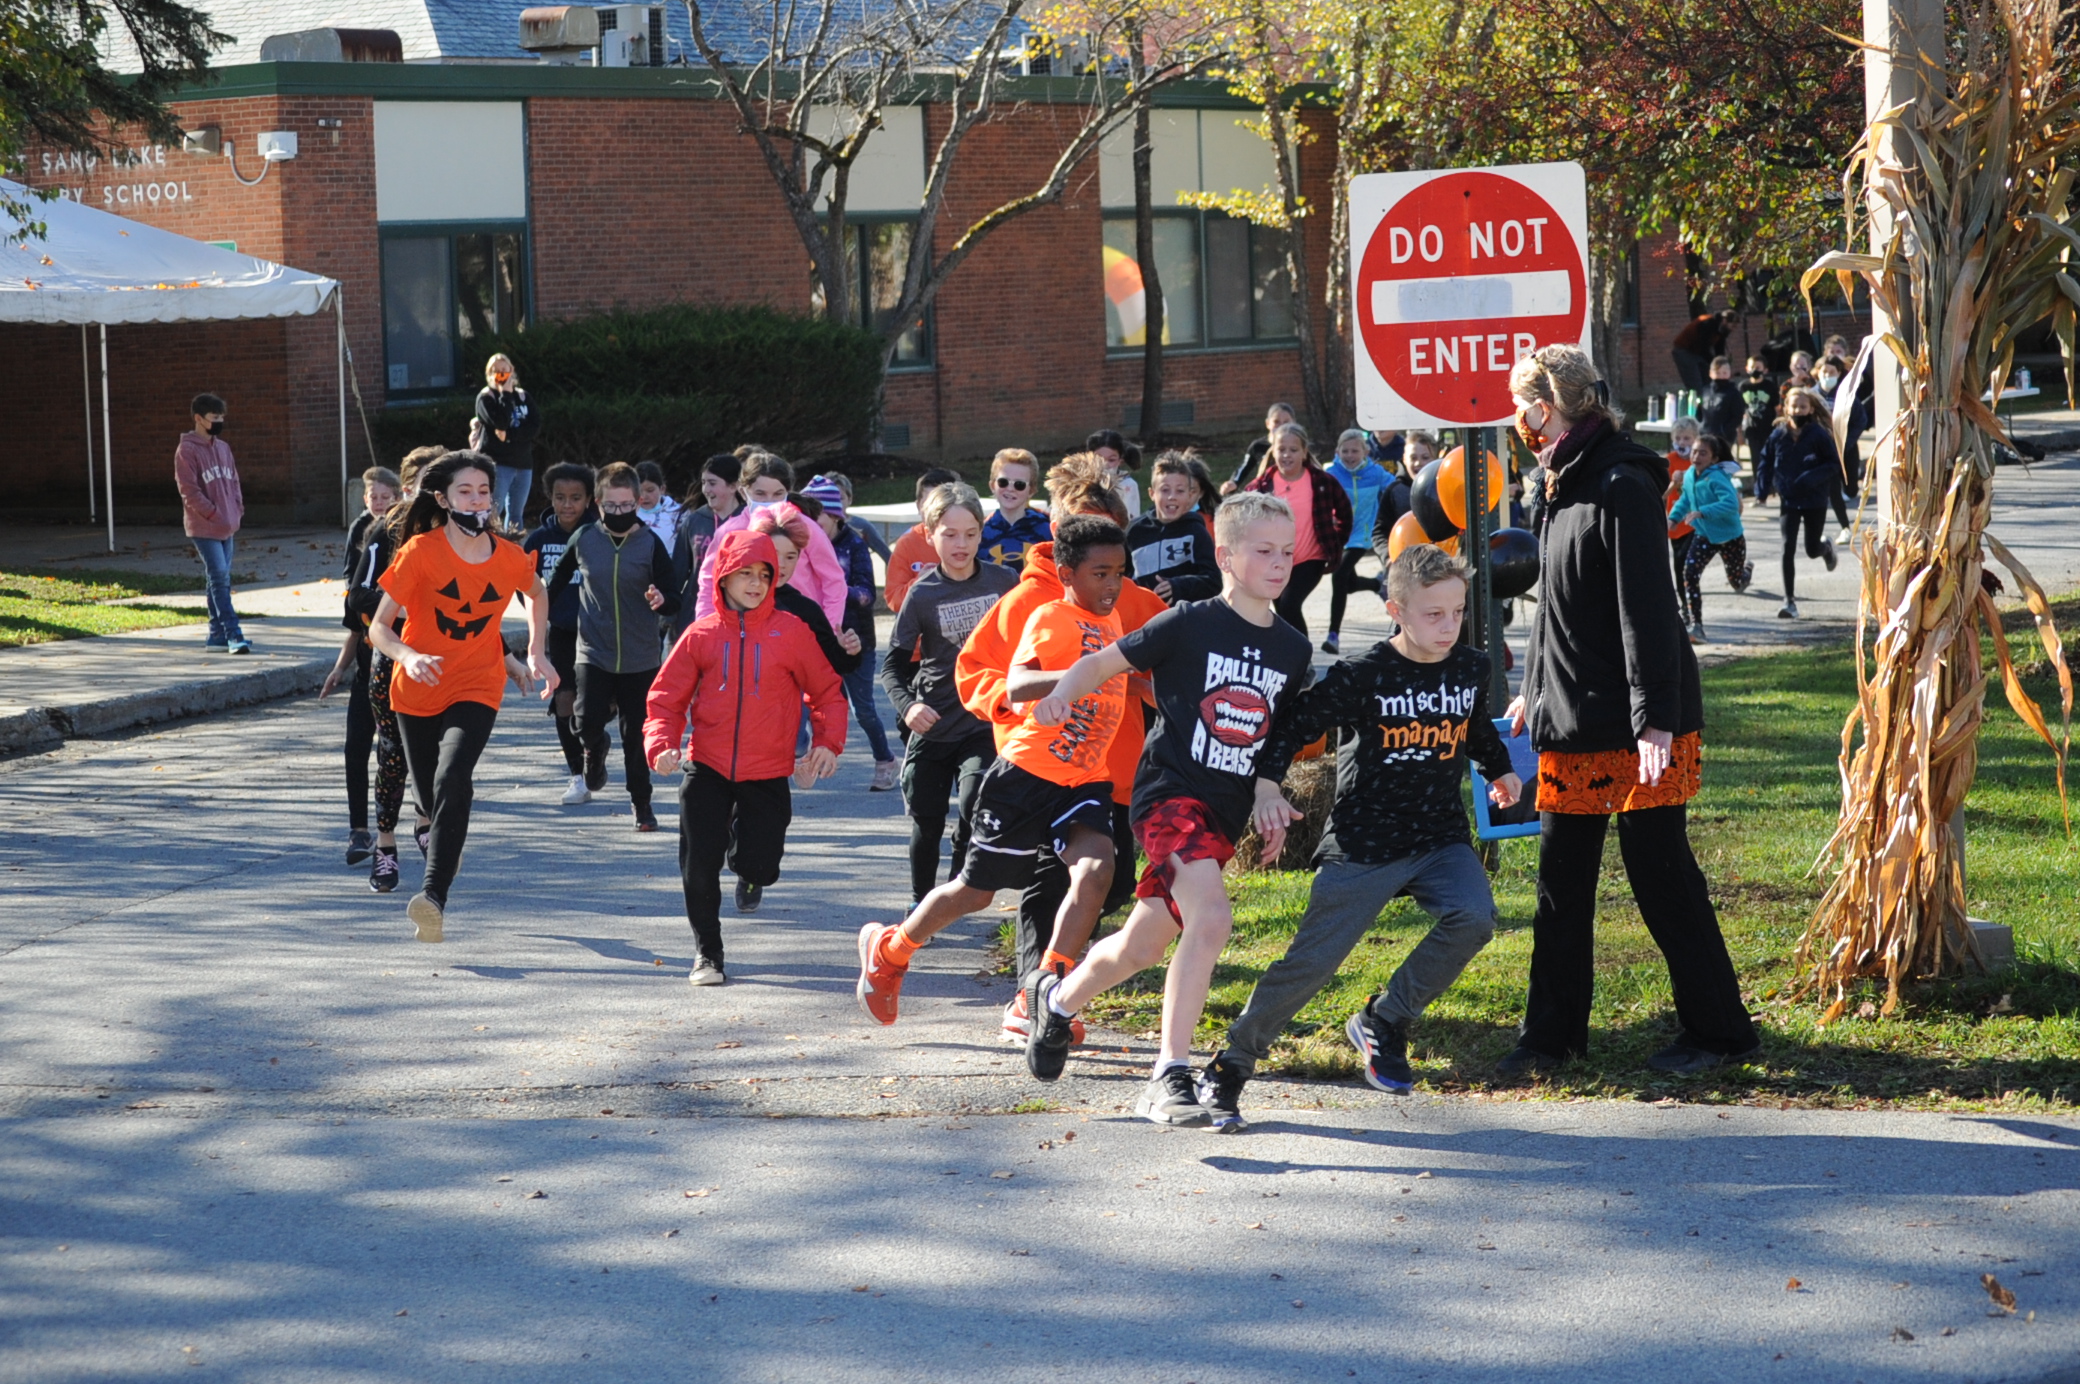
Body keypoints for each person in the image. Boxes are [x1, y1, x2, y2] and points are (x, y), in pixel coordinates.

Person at [1500, 345, 1760, 1077]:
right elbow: (1558, 604)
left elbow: (1646, 610)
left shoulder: (1620, 481)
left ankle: (1720, 1033)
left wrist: (1656, 722)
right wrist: (1534, 687)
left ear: (1544, 408)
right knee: (1561, 882)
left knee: (1661, 876)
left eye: (1521, 406)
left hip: (1640, 724)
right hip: (1574, 716)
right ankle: (1551, 1041)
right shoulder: (1556, 481)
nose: (1517, 420)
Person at [1018, 492, 1314, 1127]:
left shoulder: (1292, 649)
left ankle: (1059, 1000)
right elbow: (1102, 661)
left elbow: (1275, 738)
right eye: (1263, 550)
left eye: (1287, 551)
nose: (1279, 562)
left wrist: (1267, 791)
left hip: (1223, 814)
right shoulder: (1189, 621)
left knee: (1141, 946)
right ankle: (1168, 1075)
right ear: (1226, 556)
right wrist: (1063, 695)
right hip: (1167, 797)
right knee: (1210, 920)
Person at [1202, 543, 1522, 1128]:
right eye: (1433, 614)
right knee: (1311, 965)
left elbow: (1473, 729)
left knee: (1473, 918)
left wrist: (1499, 768)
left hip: (1439, 839)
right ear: (1395, 610)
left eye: (1456, 613)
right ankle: (1231, 1064)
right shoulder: (1363, 675)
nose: (1448, 626)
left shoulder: (1470, 666)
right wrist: (1267, 787)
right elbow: (1292, 725)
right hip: (1364, 844)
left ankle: (1385, 1019)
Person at [856, 515, 1131, 1027]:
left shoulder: (1111, 621)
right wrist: (1070, 683)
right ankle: (891, 949)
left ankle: (1045, 991)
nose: (1112, 584)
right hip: (1026, 777)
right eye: (1100, 574)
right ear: (1068, 574)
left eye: (1119, 571)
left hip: (1085, 779)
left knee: (1097, 872)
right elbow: (1019, 681)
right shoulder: (1052, 616)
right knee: (977, 892)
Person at [953, 457, 1164, 1041]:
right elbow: (975, 672)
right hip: (1042, 769)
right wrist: (1026, 704)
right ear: (1064, 545)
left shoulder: (1141, 604)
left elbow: (1177, 669)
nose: (1106, 570)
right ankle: (1035, 997)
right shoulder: (1028, 602)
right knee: (1051, 882)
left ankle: (1055, 977)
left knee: (1112, 881)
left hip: (1117, 774)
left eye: (1113, 549)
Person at [369, 450, 558, 943]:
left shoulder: (509, 557)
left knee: (455, 776)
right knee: (434, 798)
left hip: (477, 683)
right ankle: (426, 819)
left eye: (483, 492)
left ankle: (432, 898)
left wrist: (534, 652)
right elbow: (379, 628)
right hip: (416, 690)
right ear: (443, 499)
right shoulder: (421, 553)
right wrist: (408, 656)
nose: (477, 501)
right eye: (465, 492)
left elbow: (537, 594)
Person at [644, 530, 848, 985]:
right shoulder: (700, 635)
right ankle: (708, 954)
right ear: (723, 578)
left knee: (760, 863)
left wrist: (826, 743)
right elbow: (665, 700)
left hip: (768, 770)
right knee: (698, 865)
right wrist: (661, 744)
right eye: (745, 574)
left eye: (764, 575)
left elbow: (828, 693)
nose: (755, 583)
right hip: (706, 766)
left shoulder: (791, 632)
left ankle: (749, 873)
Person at [882, 483, 1021, 904]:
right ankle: (922, 900)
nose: (961, 544)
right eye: (949, 534)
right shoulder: (921, 594)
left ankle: (956, 886)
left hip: (984, 721)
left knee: (974, 801)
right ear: (929, 534)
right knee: (926, 821)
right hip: (934, 721)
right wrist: (909, 708)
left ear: (982, 533)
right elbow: (892, 666)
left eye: (970, 533)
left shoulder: (1005, 583)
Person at [548, 462, 680, 832]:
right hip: (593, 650)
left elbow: (673, 597)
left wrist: (661, 600)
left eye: (626, 506)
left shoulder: (649, 543)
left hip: (640, 657)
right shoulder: (586, 538)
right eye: (611, 507)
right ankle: (594, 747)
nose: (619, 514)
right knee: (585, 720)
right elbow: (553, 583)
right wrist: (536, 613)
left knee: (636, 735)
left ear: (638, 502)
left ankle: (642, 804)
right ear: (599, 503)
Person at [357, 447, 443, 894]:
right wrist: (405, 609)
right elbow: (358, 596)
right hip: (392, 656)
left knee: (433, 753)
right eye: (429, 482)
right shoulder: (384, 530)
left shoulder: (457, 533)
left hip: (445, 659)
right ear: (408, 487)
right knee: (393, 753)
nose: (437, 493)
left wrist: (508, 657)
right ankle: (385, 845)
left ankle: (426, 819)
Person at [319, 466, 401, 865]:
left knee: (397, 754)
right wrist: (339, 668)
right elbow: (354, 627)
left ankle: (419, 823)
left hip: (405, 678)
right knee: (356, 748)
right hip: (367, 673)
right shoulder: (362, 591)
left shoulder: (410, 574)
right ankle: (359, 830)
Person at [802, 475, 897, 791]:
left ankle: (885, 760)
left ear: (834, 516)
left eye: (816, 518)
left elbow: (867, 594)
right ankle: (800, 761)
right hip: (815, 639)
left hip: (856, 640)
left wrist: (831, 588)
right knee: (802, 705)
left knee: (863, 709)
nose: (810, 526)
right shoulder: (800, 544)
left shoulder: (854, 543)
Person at [692, 454, 845, 628]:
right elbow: (709, 583)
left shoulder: (806, 528)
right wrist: (706, 629)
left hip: (800, 629)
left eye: (778, 494)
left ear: (787, 493)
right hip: (743, 631)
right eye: (760, 494)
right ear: (743, 492)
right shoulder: (728, 532)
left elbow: (834, 581)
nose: (770, 502)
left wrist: (829, 629)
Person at [525, 462, 597, 805]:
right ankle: (578, 776)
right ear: (549, 498)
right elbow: (523, 588)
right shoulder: (538, 540)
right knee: (564, 699)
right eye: (560, 497)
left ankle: (594, 752)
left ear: (589, 499)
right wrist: (537, 625)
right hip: (562, 633)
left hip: (601, 633)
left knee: (596, 707)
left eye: (575, 498)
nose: (567, 505)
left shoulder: (598, 533)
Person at [1244, 422, 1352, 639]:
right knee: (1282, 611)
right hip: (1274, 560)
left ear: (1304, 452)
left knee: (1290, 604)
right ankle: (1290, 661)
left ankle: (1304, 661)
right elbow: (1244, 521)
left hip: (1310, 559)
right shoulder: (1260, 487)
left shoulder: (1321, 482)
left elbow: (1345, 514)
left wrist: (1334, 542)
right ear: (1273, 452)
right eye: (1281, 449)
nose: (1287, 455)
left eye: (1293, 450)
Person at [1755, 388, 1845, 619]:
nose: (1797, 411)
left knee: (1811, 549)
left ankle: (1825, 547)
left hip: (1814, 499)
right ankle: (1790, 602)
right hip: (1789, 499)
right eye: (1793, 407)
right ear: (1785, 409)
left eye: (1802, 407)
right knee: (1787, 547)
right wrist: (1762, 490)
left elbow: (1834, 464)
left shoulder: (1817, 435)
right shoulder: (1779, 434)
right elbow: (1765, 461)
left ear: (1811, 409)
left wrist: (1810, 478)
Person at [174, 391, 249, 655]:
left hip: (228, 524)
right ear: (198, 418)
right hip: (205, 526)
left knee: (217, 579)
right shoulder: (187, 450)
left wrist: (236, 510)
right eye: (214, 417)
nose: (219, 421)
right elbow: (189, 491)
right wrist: (214, 513)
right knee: (219, 578)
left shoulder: (223, 448)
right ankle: (233, 633)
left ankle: (216, 635)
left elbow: (235, 482)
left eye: (221, 416)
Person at [1668, 435, 1751, 643]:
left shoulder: (1717, 477)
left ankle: (1745, 573)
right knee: (1690, 572)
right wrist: (1673, 519)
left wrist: (1703, 512)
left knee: (1736, 582)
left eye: (1703, 453)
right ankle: (1697, 626)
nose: (1696, 456)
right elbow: (1685, 499)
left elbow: (1731, 504)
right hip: (1704, 535)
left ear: (1713, 459)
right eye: (1695, 451)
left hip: (1730, 537)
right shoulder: (1689, 476)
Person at [1323, 427, 1390, 655]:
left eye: (1355, 451)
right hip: (1338, 536)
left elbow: (1396, 489)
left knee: (1339, 576)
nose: (1350, 456)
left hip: (1363, 536)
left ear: (1366, 452)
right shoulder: (1331, 474)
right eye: (1345, 451)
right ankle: (1377, 585)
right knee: (1348, 584)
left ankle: (1333, 635)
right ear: (1337, 451)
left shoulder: (1376, 473)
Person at [1127, 451, 1220, 604]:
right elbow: (1122, 577)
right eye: (1165, 490)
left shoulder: (1196, 532)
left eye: (1180, 491)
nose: (1172, 496)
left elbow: (1214, 581)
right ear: (1152, 493)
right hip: (1144, 621)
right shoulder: (1134, 532)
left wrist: (1179, 586)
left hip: (1186, 619)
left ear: (1190, 495)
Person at [672, 454, 741, 638]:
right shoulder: (695, 521)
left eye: (712, 483)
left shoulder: (750, 521)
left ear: (734, 486)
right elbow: (677, 573)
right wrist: (669, 616)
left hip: (737, 618)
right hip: (694, 616)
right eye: (703, 483)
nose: (705, 489)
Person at [474, 354, 542, 530]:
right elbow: (500, 422)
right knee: (493, 511)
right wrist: (505, 394)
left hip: (523, 464)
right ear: (489, 373)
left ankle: (514, 549)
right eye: (496, 371)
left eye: (505, 370)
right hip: (498, 464)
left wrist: (510, 435)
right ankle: (489, 546)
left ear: (512, 371)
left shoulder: (523, 397)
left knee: (516, 513)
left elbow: (534, 426)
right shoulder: (486, 398)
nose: (501, 374)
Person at [883, 466, 962, 615]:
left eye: (945, 503)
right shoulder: (907, 544)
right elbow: (893, 600)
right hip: (924, 634)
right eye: (930, 503)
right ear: (919, 506)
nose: (937, 510)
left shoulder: (970, 537)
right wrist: (919, 582)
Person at [979, 449, 1052, 571]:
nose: (1010, 489)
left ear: (1031, 490)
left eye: (1019, 485)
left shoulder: (1048, 529)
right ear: (992, 486)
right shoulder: (979, 532)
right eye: (1003, 482)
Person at [1664, 416, 1701, 596]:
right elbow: (1661, 494)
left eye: (1686, 438)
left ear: (1696, 439)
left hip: (1694, 523)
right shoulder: (1668, 461)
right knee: (1678, 565)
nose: (1681, 442)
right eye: (1678, 438)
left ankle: (1691, 600)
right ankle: (1684, 603)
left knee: (1686, 562)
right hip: (1675, 523)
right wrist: (1673, 483)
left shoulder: (1700, 461)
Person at [1225, 401, 1296, 494]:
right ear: (1268, 423)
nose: (1281, 426)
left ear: (1293, 423)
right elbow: (1244, 467)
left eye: (1286, 422)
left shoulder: (1298, 446)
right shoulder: (1258, 446)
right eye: (1276, 422)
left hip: (1293, 490)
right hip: (1266, 493)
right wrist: (1233, 482)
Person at [1671, 308, 1737, 393]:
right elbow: (1704, 348)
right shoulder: (1707, 323)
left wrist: (1722, 364)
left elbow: (1719, 350)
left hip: (1697, 352)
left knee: (1708, 380)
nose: (1733, 329)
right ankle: (1697, 401)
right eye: (1732, 326)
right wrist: (1714, 365)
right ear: (1724, 321)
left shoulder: (1721, 330)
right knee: (1695, 383)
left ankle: (1709, 399)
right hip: (1684, 350)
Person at [1086, 429, 1143, 517]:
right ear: (1088, 458)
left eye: (1111, 460)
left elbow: (1132, 518)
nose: (1105, 465)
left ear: (1120, 460)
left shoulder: (1128, 485)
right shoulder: (1081, 483)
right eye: (1098, 459)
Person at [1737, 356, 1779, 470]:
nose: (1755, 370)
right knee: (1755, 459)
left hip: (1768, 428)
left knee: (1770, 457)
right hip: (1751, 429)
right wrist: (1739, 431)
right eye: (1752, 367)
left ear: (1765, 370)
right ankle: (1758, 483)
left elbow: (1777, 408)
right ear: (1747, 369)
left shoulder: (1770, 386)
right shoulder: (1743, 387)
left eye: (1758, 367)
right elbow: (1740, 411)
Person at [1698, 356, 1745, 451]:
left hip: (1724, 438)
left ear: (1729, 373)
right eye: (1717, 373)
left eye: (1724, 373)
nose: (1721, 376)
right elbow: (1699, 411)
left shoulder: (1733, 392)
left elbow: (1738, 416)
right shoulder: (1705, 390)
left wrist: (1724, 431)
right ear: (1711, 373)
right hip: (1705, 434)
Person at [634, 461, 683, 549]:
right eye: (639, 491)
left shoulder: (679, 514)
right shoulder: (627, 514)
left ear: (662, 489)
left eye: (650, 490)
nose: (644, 496)